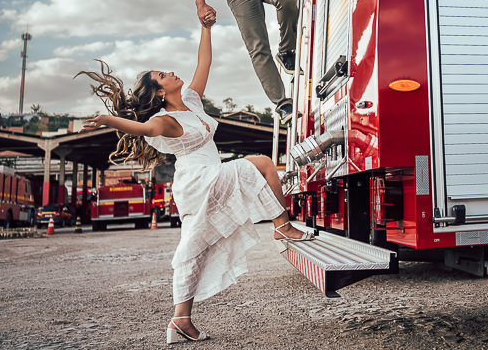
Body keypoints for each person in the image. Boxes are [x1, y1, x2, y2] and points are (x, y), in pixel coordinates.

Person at [77, 17, 312, 344]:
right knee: (261, 164)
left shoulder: (190, 100)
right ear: (160, 91)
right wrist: (106, 119)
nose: (170, 72)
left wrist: (206, 26)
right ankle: (281, 225)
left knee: (194, 250)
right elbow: (142, 130)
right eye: (163, 75)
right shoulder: (164, 121)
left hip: (209, 176)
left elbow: (204, 62)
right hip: (197, 181)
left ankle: (180, 319)